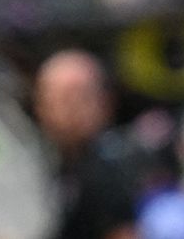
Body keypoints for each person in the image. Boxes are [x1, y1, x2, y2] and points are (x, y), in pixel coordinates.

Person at [36, 50, 140, 239]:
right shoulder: (32, 165)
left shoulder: (121, 165)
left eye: (82, 96)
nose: (72, 109)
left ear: (106, 102)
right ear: (40, 105)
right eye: (62, 98)